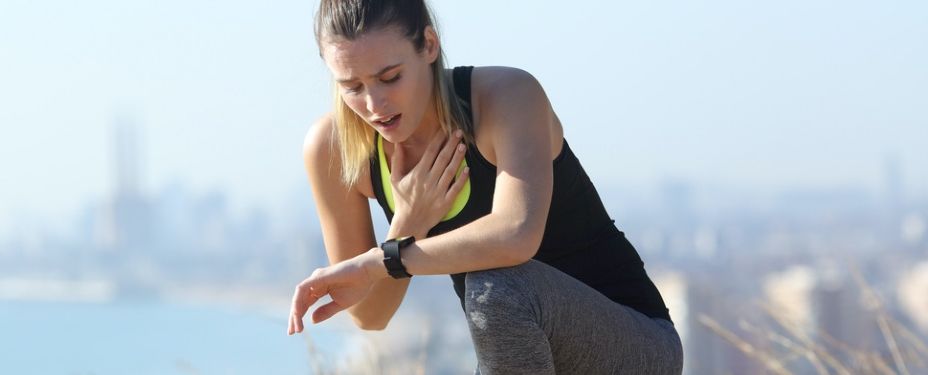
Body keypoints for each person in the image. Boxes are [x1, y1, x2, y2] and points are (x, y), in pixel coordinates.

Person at [286, 0, 683, 373]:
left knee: (495, 285)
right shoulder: (332, 150)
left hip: (636, 347)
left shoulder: (507, 97)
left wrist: (378, 262)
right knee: (493, 291)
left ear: (428, 45)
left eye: (390, 77)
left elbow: (515, 236)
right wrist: (406, 226)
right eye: (351, 87)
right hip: (521, 356)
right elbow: (369, 315)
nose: (374, 104)